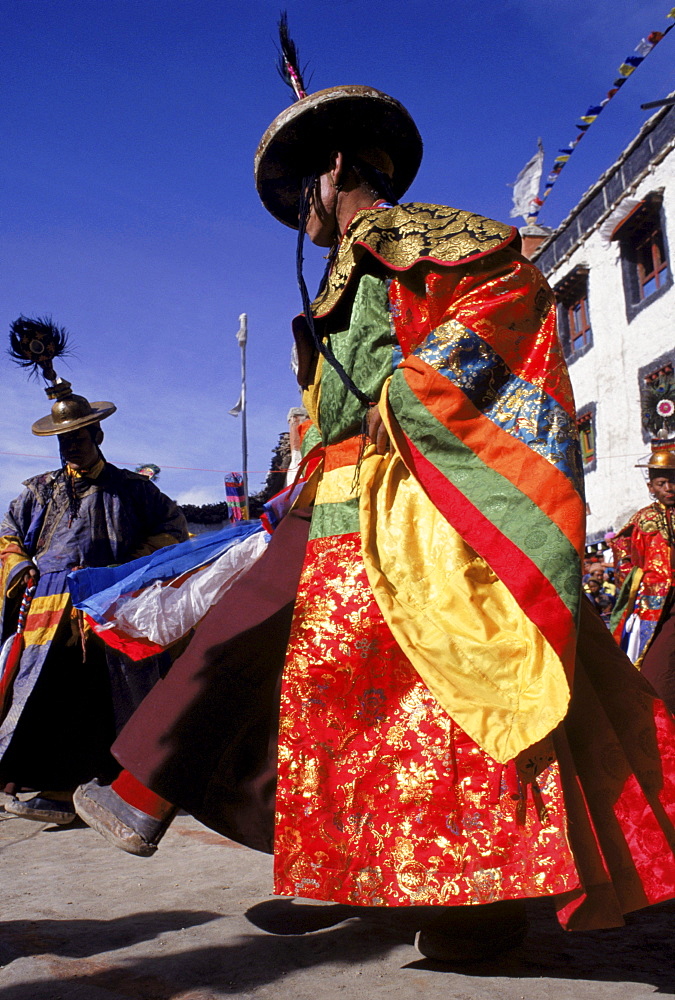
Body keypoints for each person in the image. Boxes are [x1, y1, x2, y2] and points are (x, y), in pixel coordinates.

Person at [74, 57, 675, 963]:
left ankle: (474, 904)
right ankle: (414, 890)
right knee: (361, 711)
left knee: (452, 703)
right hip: (339, 507)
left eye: (300, 188)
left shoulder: (426, 238)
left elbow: (506, 305)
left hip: (422, 510)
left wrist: (404, 400)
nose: (297, 215)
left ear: (340, 166)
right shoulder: (343, 275)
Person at [0, 317, 188, 824]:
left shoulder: (134, 489)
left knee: (113, 692)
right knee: (45, 691)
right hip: (50, 606)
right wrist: (17, 567)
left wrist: (136, 564)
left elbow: (175, 528)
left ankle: (121, 788)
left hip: (111, 602)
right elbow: (8, 535)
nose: (72, 447)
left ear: (98, 432)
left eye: (79, 437)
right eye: (64, 440)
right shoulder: (39, 489)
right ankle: (48, 787)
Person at [611, 444, 675, 706]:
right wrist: (635, 581)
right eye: (662, 483)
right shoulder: (642, 520)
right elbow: (622, 553)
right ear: (651, 487)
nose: (669, 488)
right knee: (654, 668)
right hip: (654, 603)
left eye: (673, 482)